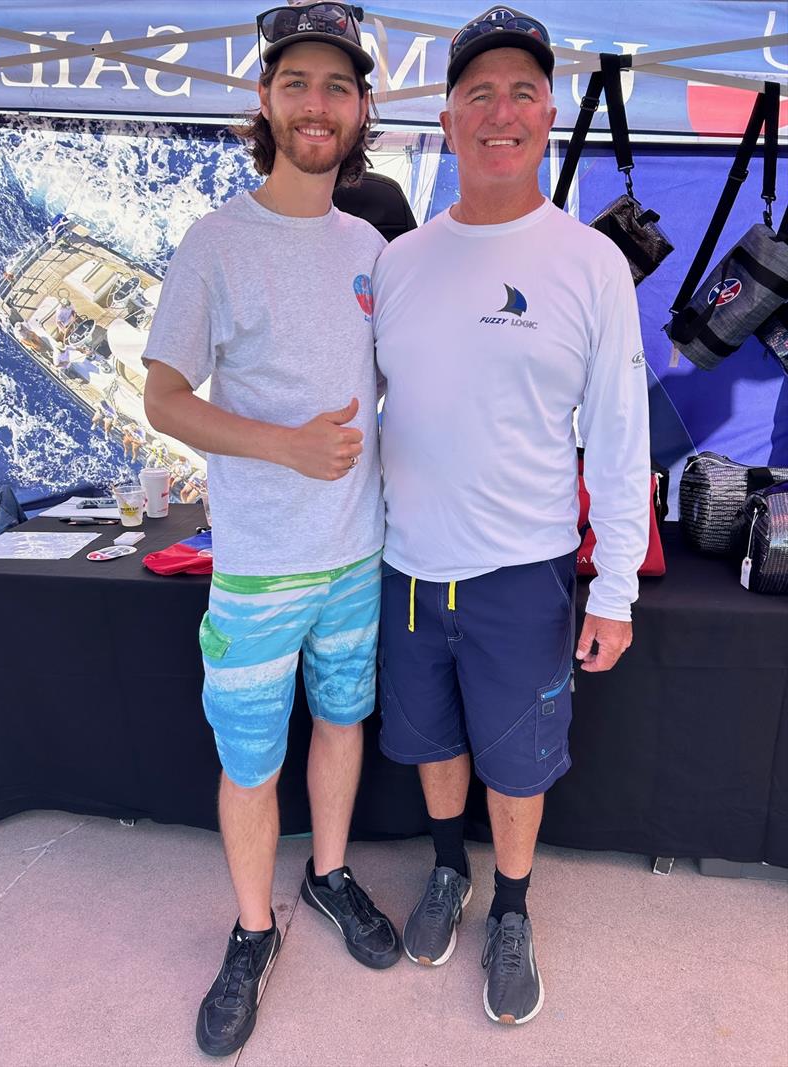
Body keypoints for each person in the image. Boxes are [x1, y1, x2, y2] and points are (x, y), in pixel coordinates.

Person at [372, 5, 651, 1027]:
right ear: (445, 119)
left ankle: (513, 906)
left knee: (518, 758)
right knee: (431, 742)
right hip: (405, 567)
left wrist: (613, 587)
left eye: (522, 92)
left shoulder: (584, 264)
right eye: (477, 93)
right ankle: (447, 869)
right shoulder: (397, 262)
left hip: (521, 573)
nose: (500, 112)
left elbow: (621, 439)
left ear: (548, 113)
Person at [142, 3, 400, 1057]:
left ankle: (328, 873)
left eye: (337, 86)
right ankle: (252, 931)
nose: (316, 103)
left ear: (360, 108)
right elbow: (163, 397)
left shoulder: (375, 246)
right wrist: (282, 445)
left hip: (359, 556)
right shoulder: (216, 240)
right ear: (264, 98)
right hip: (256, 567)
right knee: (250, 762)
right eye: (296, 81)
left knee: (341, 722)